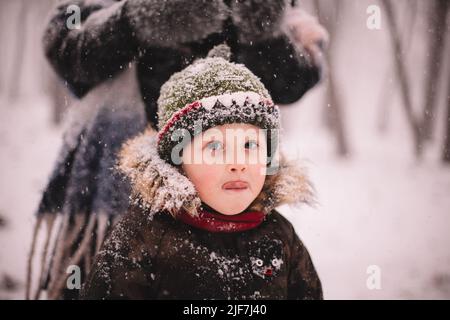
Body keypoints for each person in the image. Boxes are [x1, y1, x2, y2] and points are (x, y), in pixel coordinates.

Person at [27, 0, 328, 299]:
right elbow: (67, 42)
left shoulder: (279, 238)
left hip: (234, 201)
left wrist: (263, 30)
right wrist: (134, 19)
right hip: (111, 183)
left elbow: (298, 75)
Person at [81, 45, 322, 299]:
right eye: (215, 147)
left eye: (250, 145)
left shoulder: (281, 239)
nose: (237, 163)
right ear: (177, 162)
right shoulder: (143, 240)